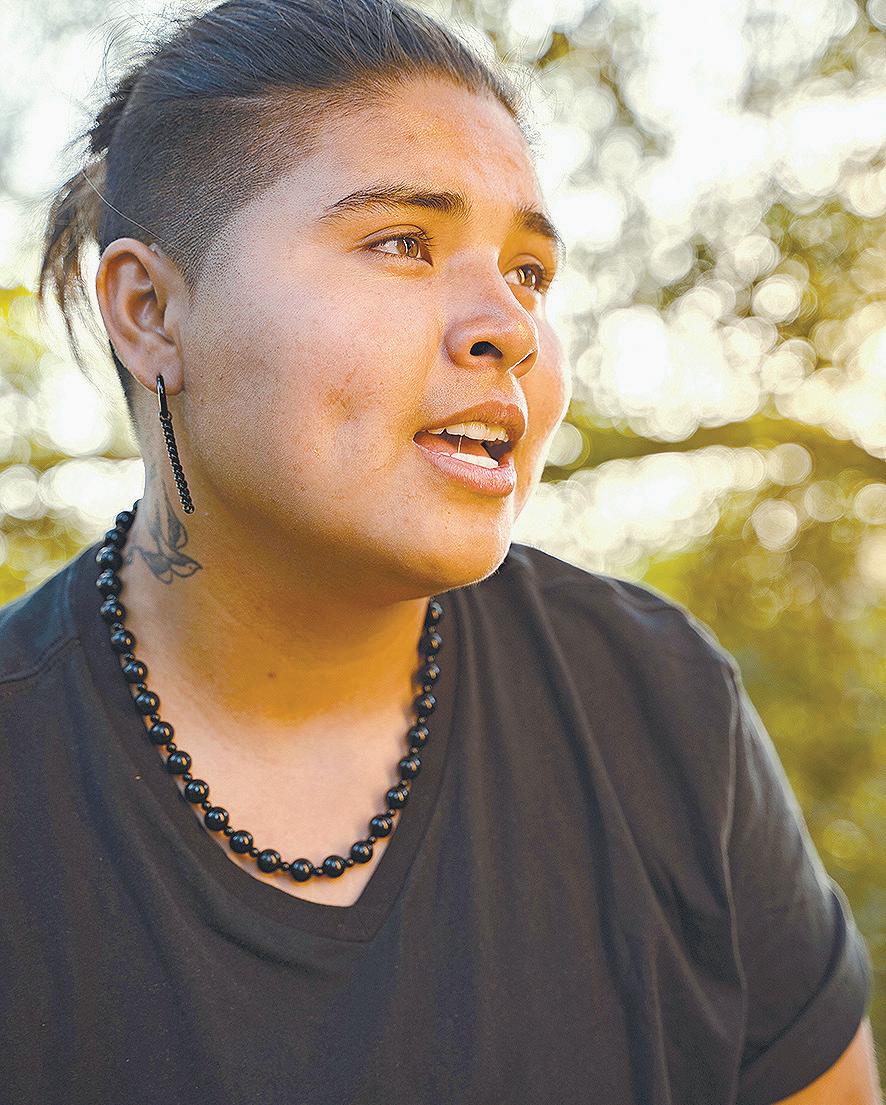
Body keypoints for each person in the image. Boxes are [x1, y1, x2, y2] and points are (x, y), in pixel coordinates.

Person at [0, 1, 877, 1102]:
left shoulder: (660, 706)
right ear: (150, 311)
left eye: (529, 273)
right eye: (402, 242)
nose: (509, 326)